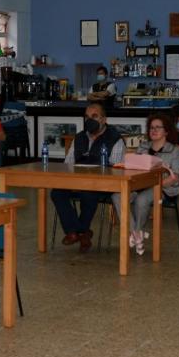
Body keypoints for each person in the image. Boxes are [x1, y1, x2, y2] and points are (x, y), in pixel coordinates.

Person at [52, 103, 125, 251]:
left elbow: (117, 170)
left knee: (89, 193)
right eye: (87, 117)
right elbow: (68, 164)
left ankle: (78, 232)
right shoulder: (79, 138)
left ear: (104, 120)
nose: (89, 120)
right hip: (78, 181)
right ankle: (79, 232)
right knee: (57, 192)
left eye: (94, 116)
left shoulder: (115, 139)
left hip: (104, 184)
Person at [112, 113, 179, 256]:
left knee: (142, 199)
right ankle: (136, 233)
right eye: (151, 128)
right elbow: (134, 169)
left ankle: (136, 232)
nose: (154, 130)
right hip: (140, 185)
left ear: (166, 131)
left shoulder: (174, 150)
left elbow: (176, 176)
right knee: (117, 196)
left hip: (163, 187)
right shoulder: (143, 147)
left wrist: (157, 184)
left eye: (158, 127)